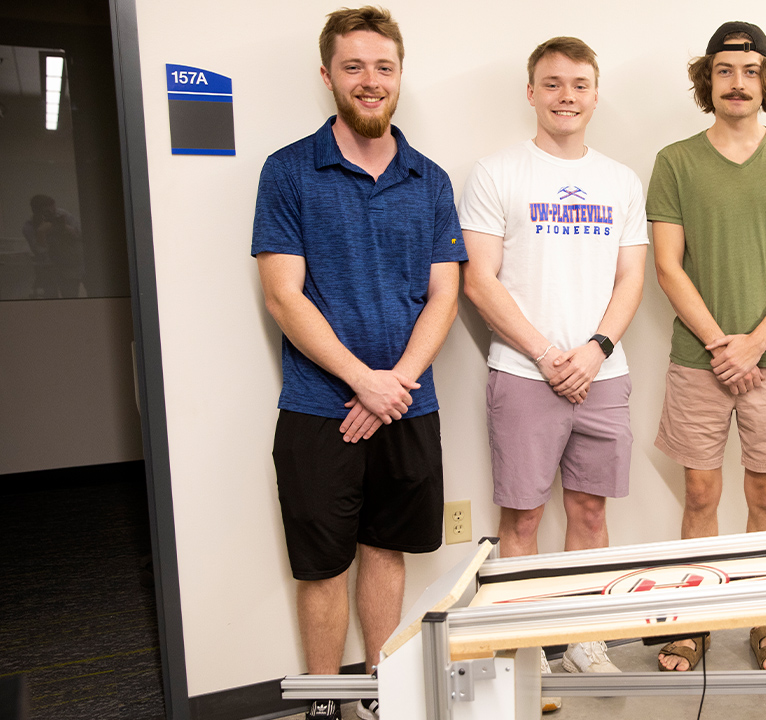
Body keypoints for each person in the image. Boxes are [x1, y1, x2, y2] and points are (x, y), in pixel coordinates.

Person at [251, 7, 467, 719]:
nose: (370, 82)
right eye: (354, 67)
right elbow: (285, 297)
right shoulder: (288, 172)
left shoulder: (429, 179)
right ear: (328, 76)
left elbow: (445, 292)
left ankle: (377, 692)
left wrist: (394, 384)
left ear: (399, 76)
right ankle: (323, 700)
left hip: (407, 403)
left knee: (385, 550)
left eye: (383, 67)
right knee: (322, 565)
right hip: (320, 408)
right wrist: (362, 381)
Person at [459, 36, 648, 711]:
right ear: (532, 92)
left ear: (594, 94)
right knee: (522, 516)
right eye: (553, 83)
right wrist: (544, 353)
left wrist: (595, 348)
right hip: (522, 371)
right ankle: (526, 641)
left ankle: (583, 640)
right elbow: (479, 281)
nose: (566, 96)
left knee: (591, 511)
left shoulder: (621, 180)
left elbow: (632, 277)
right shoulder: (496, 173)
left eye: (579, 84)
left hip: (603, 372)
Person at [648, 21, 766, 673]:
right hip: (697, 361)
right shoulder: (675, 161)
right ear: (708, 80)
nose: (737, 82)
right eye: (725, 70)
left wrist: (753, 344)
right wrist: (718, 344)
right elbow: (668, 266)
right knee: (699, 497)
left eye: (751, 70)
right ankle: (693, 619)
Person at [23, 194, 84, 299]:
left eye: (54, 210)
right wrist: (41, 233)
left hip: (73, 264)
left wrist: (64, 227)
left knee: (74, 298)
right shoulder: (29, 227)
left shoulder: (62, 215)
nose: (53, 214)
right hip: (51, 269)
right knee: (55, 299)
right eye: (47, 212)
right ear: (37, 213)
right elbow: (41, 254)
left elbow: (80, 235)